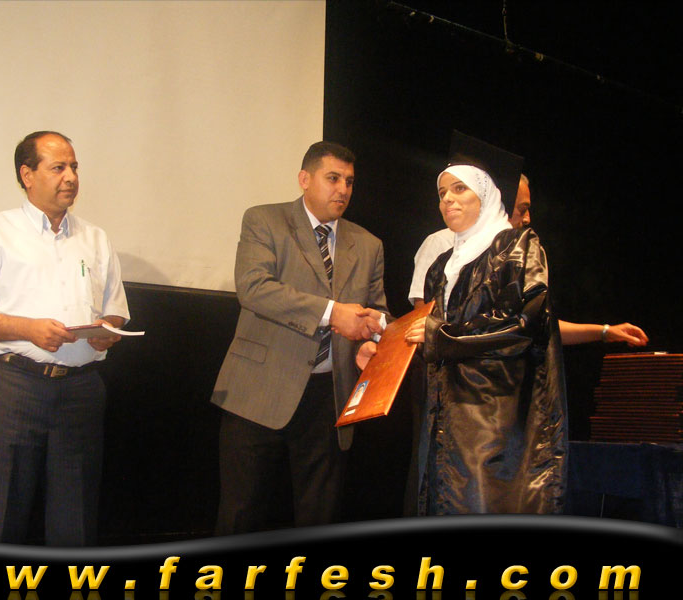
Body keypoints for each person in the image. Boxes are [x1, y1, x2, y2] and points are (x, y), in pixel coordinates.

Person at [361, 135, 566, 514]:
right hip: (445, 417)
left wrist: (441, 337)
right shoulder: (442, 265)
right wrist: (382, 340)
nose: (447, 200)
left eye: (459, 189)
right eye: (442, 193)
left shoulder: (517, 247)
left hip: (493, 421)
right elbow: (431, 332)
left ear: (486, 194)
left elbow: (522, 324)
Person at [0, 131, 129, 545]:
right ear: (27, 175)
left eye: (74, 167)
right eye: (58, 167)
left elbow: (116, 307)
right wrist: (27, 329)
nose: (71, 177)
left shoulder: (95, 238)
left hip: (81, 390)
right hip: (14, 387)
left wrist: (106, 330)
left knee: (75, 521)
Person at [211, 141, 389, 534]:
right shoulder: (264, 220)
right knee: (241, 513)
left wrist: (370, 342)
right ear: (304, 179)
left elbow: (378, 312)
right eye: (333, 178)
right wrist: (333, 313)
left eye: (349, 181)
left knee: (319, 516)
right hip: (260, 388)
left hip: (330, 396)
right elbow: (254, 288)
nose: (343, 189)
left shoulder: (369, 244)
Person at [408, 174, 649, 347]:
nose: (527, 219)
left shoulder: (522, 250)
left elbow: (531, 323)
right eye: (521, 209)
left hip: (497, 383)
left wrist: (604, 331)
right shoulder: (443, 249)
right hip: (452, 382)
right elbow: (424, 324)